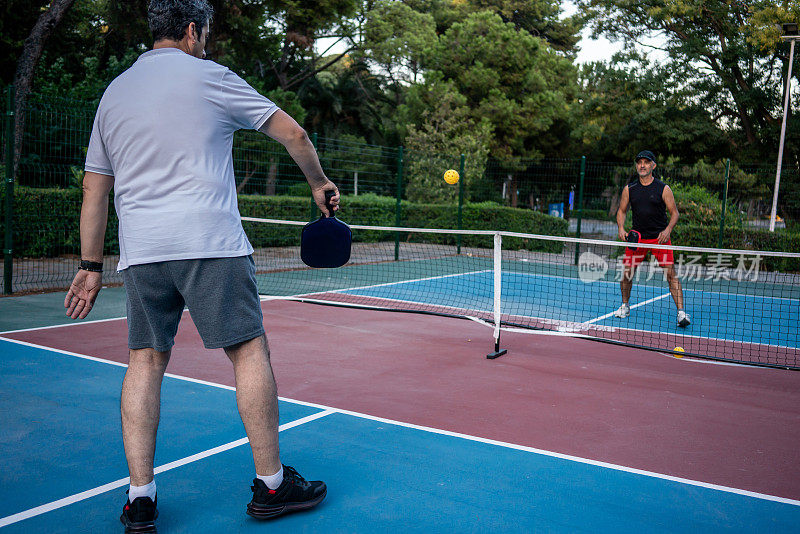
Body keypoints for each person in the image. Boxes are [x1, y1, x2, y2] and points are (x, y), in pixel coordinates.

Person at [63, 1, 335, 531]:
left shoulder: (114, 93)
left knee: (144, 360)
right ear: (192, 30)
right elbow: (294, 135)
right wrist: (319, 183)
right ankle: (272, 486)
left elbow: (95, 186)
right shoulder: (211, 77)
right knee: (248, 350)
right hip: (210, 242)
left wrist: (90, 264)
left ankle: (140, 498)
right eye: (204, 33)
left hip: (142, 252)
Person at [613, 150, 691, 327]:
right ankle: (625, 306)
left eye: (646, 162)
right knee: (626, 274)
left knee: (671, 275)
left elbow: (675, 213)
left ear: (653, 165)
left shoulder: (663, 189)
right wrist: (620, 228)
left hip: (659, 239)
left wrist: (668, 230)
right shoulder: (629, 189)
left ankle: (681, 314)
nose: (642, 165)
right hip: (637, 239)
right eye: (639, 162)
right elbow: (622, 211)